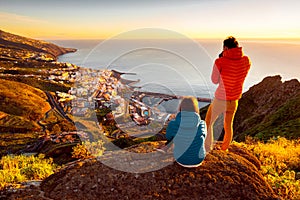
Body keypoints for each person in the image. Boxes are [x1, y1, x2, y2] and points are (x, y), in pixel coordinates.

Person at [205, 36, 251, 151]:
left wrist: (220, 60)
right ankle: (224, 149)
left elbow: (214, 80)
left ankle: (207, 147)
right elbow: (241, 73)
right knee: (228, 125)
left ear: (225, 47)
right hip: (234, 101)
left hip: (220, 99)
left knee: (208, 123)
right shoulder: (246, 61)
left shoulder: (220, 61)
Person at [160, 96, 207, 167]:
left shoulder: (173, 123)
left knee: (175, 135)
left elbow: (168, 137)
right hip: (198, 159)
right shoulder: (202, 124)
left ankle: (164, 149)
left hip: (181, 159)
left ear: (181, 107)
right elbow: (204, 137)